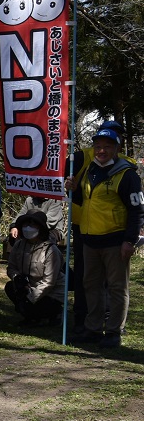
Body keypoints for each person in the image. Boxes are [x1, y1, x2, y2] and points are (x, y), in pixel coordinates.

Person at [65, 125, 143, 347]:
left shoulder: (127, 175)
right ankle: (92, 328)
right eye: (97, 146)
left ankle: (113, 332)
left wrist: (130, 241)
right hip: (89, 240)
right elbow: (84, 200)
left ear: (116, 148)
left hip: (115, 241)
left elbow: (137, 210)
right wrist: (71, 187)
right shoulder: (90, 169)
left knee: (117, 288)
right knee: (91, 286)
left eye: (107, 147)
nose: (101, 151)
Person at [4, 211, 64, 324]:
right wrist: (17, 278)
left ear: (41, 228)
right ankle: (30, 315)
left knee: (37, 305)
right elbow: (11, 267)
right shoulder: (19, 245)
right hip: (28, 287)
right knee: (10, 287)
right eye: (26, 224)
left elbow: (49, 282)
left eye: (33, 224)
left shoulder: (51, 250)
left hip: (49, 293)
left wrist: (30, 298)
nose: (28, 227)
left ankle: (52, 315)